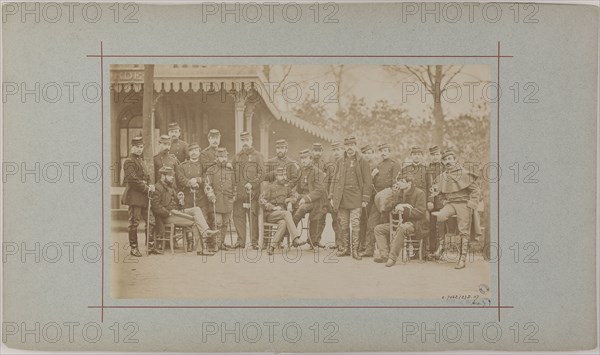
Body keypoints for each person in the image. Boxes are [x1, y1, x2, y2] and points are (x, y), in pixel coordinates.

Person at [151, 166, 219, 256]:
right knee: (195, 221)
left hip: (176, 213)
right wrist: (168, 213)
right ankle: (202, 248)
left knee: (196, 209)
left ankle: (205, 231)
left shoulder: (171, 187)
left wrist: (180, 200)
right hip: (167, 216)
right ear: (163, 176)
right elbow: (156, 207)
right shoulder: (157, 188)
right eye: (170, 175)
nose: (172, 177)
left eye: (172, 175)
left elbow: (177, 205)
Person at [431, 150, 481, 269]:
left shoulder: (464, 174)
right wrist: (444, 201)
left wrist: (472, 203)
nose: (448, 162)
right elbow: (438, 193)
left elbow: (476, 190)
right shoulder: (442, 177)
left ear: (455, 160)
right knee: (440, 216)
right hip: (450, 204)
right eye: (446, 160)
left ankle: (462, 259)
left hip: (464, 204)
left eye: (450, 159)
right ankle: (441, 247)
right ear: (443, 162)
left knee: (463, 229)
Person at [329, 136, 372, 259]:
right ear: (344, 147)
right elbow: (334, 179)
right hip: (342, 197)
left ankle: (355, 251)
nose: (350, 148)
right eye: (347, 145)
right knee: (343, 223)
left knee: (355, 223)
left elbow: (368, 181)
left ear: (356, 146)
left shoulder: (362, 161)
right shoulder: (340, 161)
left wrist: (365, 199)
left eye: (352, 145)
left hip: (356, 197)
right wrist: (332, 195)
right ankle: (346, 249)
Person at [373, 173, 426, 267]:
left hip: (415, 224)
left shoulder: (419, 193)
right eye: (399, 181)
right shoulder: (399, 193)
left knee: (402, 228)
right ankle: (384, 255)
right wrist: (398, 205)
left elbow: (420, 212)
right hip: (400, 223)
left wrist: (404, 209)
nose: (399, 183)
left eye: (402, 181)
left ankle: (392, 258)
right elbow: (388, 206)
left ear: (409, 183)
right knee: (378, 229)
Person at [361, 142, 401, 257]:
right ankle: (369, 249)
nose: (384, 153)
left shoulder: (395, 165)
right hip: (377, 199)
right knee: (371, 223)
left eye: (386, 151)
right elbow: (370, 183)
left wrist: (392, 200)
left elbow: (396, 184)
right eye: (382, 151)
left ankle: (387, 251)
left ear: (390, 152)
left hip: (388, 199)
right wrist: (372, 176)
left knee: (385, 224)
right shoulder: (378, 166)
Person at [121, 136, 155, 257]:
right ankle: (133, 248)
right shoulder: (129, 161)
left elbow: (148, 176)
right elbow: (132, 180)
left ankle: (150, 246)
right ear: (132, 147)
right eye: (137, 147)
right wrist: (146, 188)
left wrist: (151, 185)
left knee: (151, 221)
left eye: (141, 147)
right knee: (134, 223)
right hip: (134, 197)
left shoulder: (141, 160)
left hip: (145, 197)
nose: (140, 149)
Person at [232, 131, 265, 249]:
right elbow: (232, 175)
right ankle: (240, 242)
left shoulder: (258, 156)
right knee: (238, 217)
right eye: (243, 141)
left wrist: (252, 184)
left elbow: (262, 174)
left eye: (247, 140)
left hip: (252, 193)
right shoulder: (236, 157)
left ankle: (254, 242)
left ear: (251, 140)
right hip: (240, 194)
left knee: (253, 217)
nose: (245, 143)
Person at [176, 143, 212, 251]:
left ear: (199, 151)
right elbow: (180, 178)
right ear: (188, 152)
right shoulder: (182, 166)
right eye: (191, 150)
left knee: (202, 218)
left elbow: (207, 177)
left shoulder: (203, 165)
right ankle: (190, 242)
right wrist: (189, 183)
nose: (194, 152)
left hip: (201, 197)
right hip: (187, 197)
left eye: (196, 150)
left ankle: (202, 244)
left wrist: (197, 180)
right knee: (189, 221)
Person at [260, 167, 301, 255]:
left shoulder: (287, 187)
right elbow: (261, 200)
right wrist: (273, 207)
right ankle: (295, 238)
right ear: (276, 176)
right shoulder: (269, 187)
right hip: (271, 214)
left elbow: (295, 196)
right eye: (281, 175)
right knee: (287, 213)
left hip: (281, 215)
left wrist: (290, 201)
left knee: (283, 223)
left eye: (285, 175)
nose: (283, 177)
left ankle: (272, 247)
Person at [291, 149, 327, 249]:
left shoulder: (317, 172)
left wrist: (306, 198)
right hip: (301, 198)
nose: (303, 161)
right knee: (289, 208)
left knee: (302, 208)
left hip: (314, 200)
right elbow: (293, 183)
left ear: (311, 159)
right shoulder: (300, 171)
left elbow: (319, 191)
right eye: (301, 158)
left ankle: (289, 231)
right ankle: (294, 237)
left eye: (305, 158)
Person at [203, 147, 236, 251]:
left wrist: (234, 195)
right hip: (216, 201)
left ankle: (221, 243)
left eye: (225, 157)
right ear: (216, 157)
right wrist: (211, 195)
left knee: (226, 223)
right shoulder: (211, 170)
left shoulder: (230, 171)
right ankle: (215, 244)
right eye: (221, 157)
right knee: (217, 222)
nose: (223, 159)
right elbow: (207, 185)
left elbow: (234, 185)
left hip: (228, 201)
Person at [358, 144, 378, 256]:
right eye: (365, 153)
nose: (367, 155)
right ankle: (361, 244)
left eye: (369, 153)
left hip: (372, 198)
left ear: (373, 154)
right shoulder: (359, 165)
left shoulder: (376, 166)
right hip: (360, 197)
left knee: (370, 222)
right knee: (361, 221)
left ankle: (369, 245)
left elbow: (375, 185)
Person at [426, 145, 445, 254]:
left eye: (437, 154)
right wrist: (430, 201)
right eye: (433, 155)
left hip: (443, 202)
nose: (435, 157)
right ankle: (431, 250)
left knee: (442, 226)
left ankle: (441, 250)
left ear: (441, 155)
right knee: (431, 226)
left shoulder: (445, 167)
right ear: (430, 156)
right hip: (433, 202)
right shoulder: (427, 168)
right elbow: (428, 186)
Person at [324, 141, 343, 249]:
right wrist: (329, 196)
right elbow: (328, 182)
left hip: (343, 196)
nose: (336, 152)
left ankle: (343, 244)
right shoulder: (330, 166)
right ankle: (338, 243)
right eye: (334, 150)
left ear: (342, 150)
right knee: (335, 220)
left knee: (342, 220)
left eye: (338, 150)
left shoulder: (345, 163)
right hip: (333, 196)